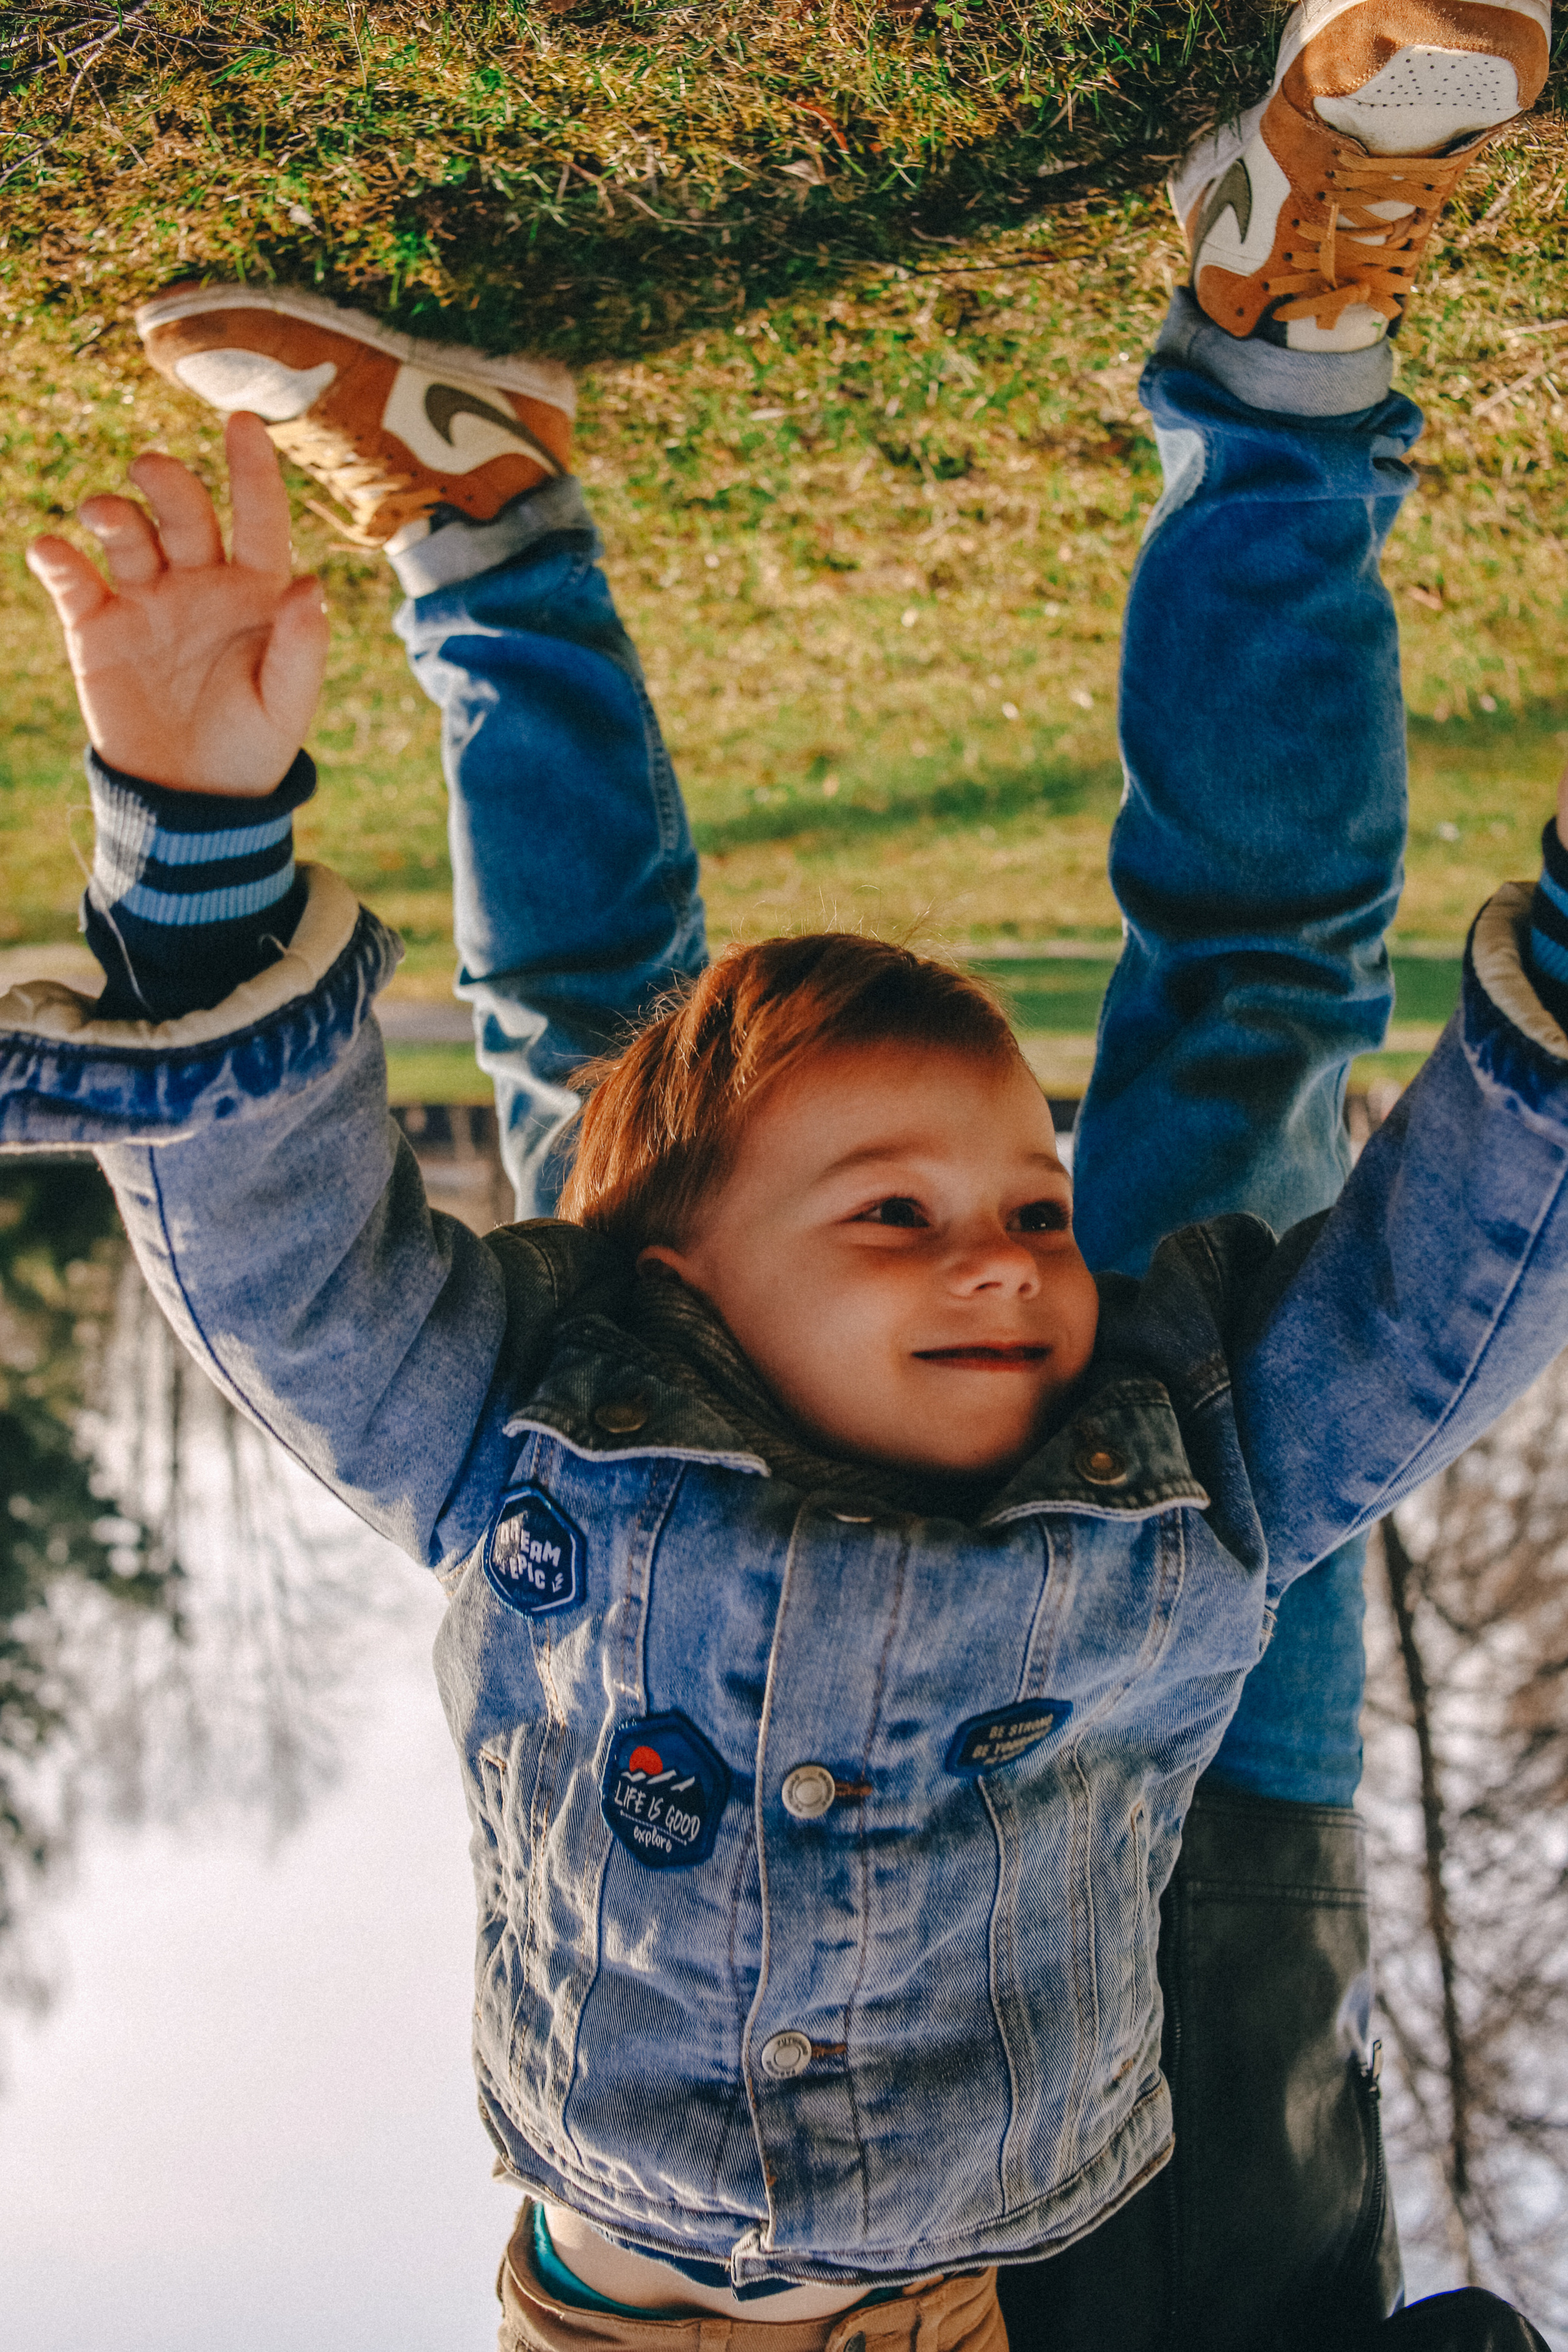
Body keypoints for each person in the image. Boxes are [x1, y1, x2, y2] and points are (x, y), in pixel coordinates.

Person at [5, 2, 1559, 2345]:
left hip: (667, 1605)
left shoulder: (568, 1446)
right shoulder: (1214, 1471)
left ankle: (485, 521)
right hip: (1194, 1783)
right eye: (980, 1208)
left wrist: (203, 861)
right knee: (1244, 1025)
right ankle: (1289, 333)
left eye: (994, 1206)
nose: (1000, 1238)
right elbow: (1444, 1298)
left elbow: (306, 1290)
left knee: (632, 1098)